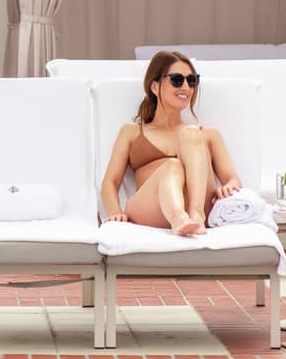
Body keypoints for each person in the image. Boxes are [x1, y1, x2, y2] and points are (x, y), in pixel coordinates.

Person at [100, 50, 244, 236]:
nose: (186, 87)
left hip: (198, 209)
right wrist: (115, 213)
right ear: (154, 86)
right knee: (172, 166)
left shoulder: (207, 135)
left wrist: (228, 187)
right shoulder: (133, 131)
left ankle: (195, 215)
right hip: (151, 209)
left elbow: (233, 179)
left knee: (191, 134)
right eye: (177, 79)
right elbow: (109, 183)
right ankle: (178, 218)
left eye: (192, 81)